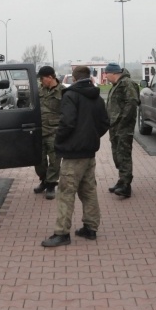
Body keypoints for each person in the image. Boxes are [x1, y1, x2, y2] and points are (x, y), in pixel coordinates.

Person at [41, 65, 109, 247]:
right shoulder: (97, 97)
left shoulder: (70, 96)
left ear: (74, 78)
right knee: (88, 190)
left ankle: (62, 233)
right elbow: (104, 123)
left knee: (66, 192)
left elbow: (67, 123)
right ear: (89, 77)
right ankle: (91, 227)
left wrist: (59, 141)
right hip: (89, 152)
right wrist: (91, 137)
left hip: (73, 154)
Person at [104, 62, 139, 198]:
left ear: (113, 73)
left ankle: (126, 185)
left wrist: (122, 121)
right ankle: (122, 179)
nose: (105, 76)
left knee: (123, 154)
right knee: (117, 155)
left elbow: (132, 103)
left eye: (106, 73)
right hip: (115, 126)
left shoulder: (127, 83)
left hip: (123, 127)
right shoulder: (116, 85)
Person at [34, 65, 63, 200]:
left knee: (54, 160)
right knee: (38, 160)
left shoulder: (63, 91)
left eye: (42, 78)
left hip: (54, 132)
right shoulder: (39, 91)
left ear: (50, 77)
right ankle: (44, 180)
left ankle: (51, 184)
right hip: (39, 131)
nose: (41, 81)